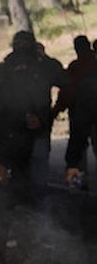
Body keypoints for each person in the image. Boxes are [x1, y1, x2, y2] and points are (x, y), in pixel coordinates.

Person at [0, 30, 66, 212]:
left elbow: (64, 80)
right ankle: (25, 229)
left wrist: (45, 58)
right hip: (12, 138)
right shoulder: (3, 71)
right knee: (17, 189)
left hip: (36, 133)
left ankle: (41, 230)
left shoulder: (42, 67)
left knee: (37, 187)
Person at [57, 35, 97, 185]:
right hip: (84, 112)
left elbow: (67, 92)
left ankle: (79, 177)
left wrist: (56, 111)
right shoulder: (91, 64)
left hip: (80, 113)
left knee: (79, 148)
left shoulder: (75, 67)